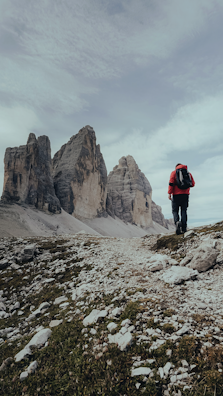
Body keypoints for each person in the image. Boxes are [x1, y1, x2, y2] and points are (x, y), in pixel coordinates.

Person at [168, 163, 195, 234]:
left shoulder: (173, 173)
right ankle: (184, 228)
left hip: (176, 195)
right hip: (185, 195)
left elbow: (171, 183)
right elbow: (193, 184)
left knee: (175, 211)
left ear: (176, 167)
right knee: (184, 210)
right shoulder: (188, 173)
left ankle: (177, 222)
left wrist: (169, 193)